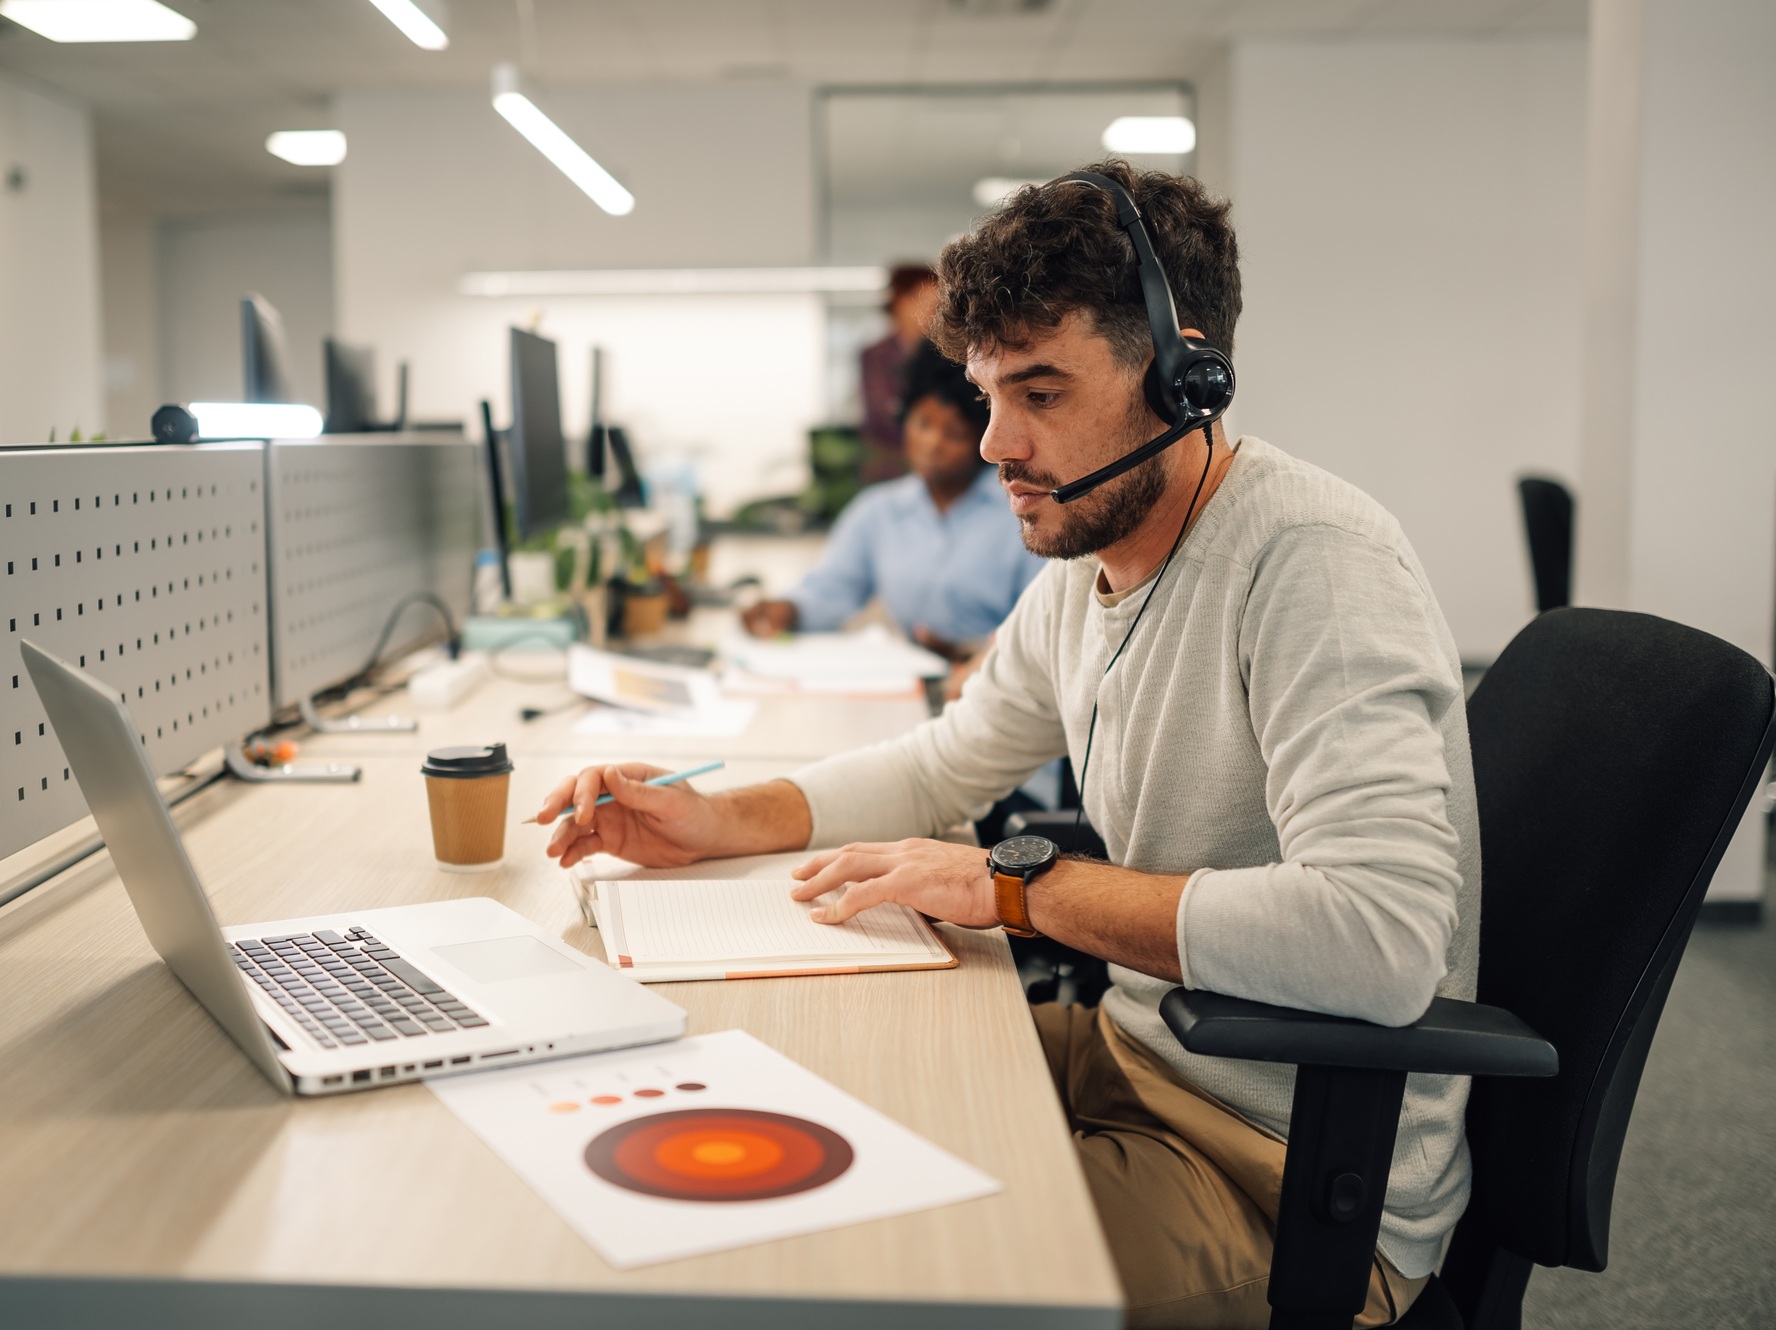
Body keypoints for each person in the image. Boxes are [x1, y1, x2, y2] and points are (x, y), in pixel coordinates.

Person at [535, 159, 1474, 1329]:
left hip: (1278, 1161)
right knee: (783, 1102)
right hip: (1139, 1049)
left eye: (1038, 393)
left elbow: (1379, 938)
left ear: (1184, 376)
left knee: (862, 1275)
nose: (993, 445)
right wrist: (718, 818)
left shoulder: (1311, 565)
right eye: (986, 394)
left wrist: (1017, 893)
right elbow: (942, 764)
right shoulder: (1089, 566)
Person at [741, 340, 1043, 688]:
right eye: (923, 423)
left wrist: (973, 652)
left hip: (1000, 686)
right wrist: (789, 610)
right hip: (908, 685)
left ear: (984, 439)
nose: (933, 443)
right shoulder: (878, 512)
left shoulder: (1020, 512)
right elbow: (834, 586)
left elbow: (1042, 622)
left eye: (955, 433)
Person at [856, 263, 941, 482]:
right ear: (900, 302)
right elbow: (882, 412)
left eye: (936, 305)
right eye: (925, 303)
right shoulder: (875, 356)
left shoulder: (943, 354)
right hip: (889, 467)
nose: (931, 312)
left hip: (937, 466)